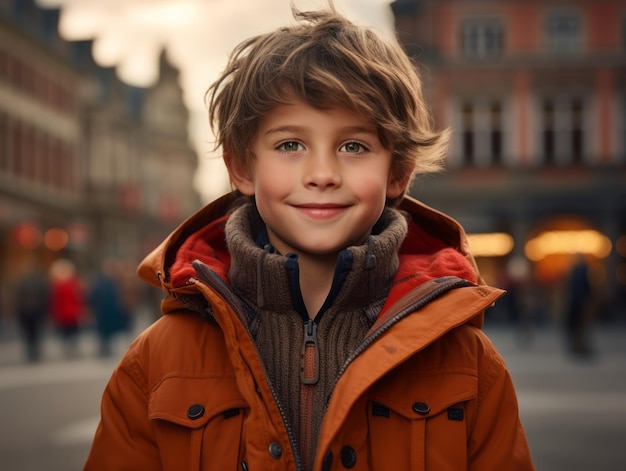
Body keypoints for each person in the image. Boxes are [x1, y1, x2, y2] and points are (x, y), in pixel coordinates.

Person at [85, 4, 534, 470]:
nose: (322, 174)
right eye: (290, 145)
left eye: (353, 146)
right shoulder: (156, 361)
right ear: (242, 167)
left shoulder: (469, 363)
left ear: (398, 171)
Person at [14, 255, 49, 362]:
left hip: (33, 311)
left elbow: (44, 295)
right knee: (32, 332)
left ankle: (33, 351)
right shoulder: (27, 281)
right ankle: (32, 351)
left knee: (33, 332)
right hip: (29, 311)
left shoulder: (34, 280)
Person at [48, 258, 85, 358]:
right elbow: (78, 298)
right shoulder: (73, 284)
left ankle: (67, 348)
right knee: (73, 331)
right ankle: (72, 348)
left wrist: (54, 313)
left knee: (65, 332)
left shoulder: (56, 286)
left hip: (62, 313)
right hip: (72, 312)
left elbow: (54, 301)